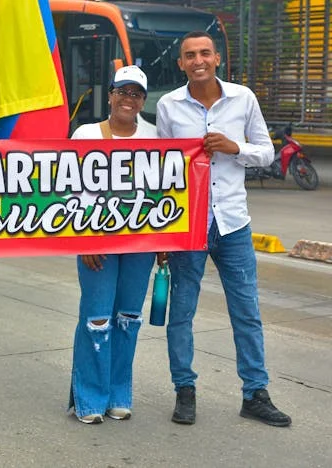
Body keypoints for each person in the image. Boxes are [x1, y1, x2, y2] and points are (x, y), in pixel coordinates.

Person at [156, 31, 291, 427]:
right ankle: (185, 390)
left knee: (246, 312)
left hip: (233, 223)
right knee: (181, 313)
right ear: (180, 64)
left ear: (217, 59)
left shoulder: (243, 98)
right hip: (187, 224)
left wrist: (236, 148)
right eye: (189, 55)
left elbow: (267, 152)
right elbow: (164, 168)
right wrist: (163, 233)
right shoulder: (169, 105)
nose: (198, 60)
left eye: (204, 53)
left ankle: (255, 394)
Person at [66, 66, 157, 424]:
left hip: (140, 242)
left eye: (135, 94)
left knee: (128, 319)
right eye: (122, 92)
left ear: (143, 101)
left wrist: (165, 240)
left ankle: (119, 393)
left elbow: (164, 189)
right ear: (110, 95)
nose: (127, 99)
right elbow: (71, 188)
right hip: (96, 241)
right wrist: (84, 237)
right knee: (96, 318)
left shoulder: (154, 135)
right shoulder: (86, 134)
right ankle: (88, 398)